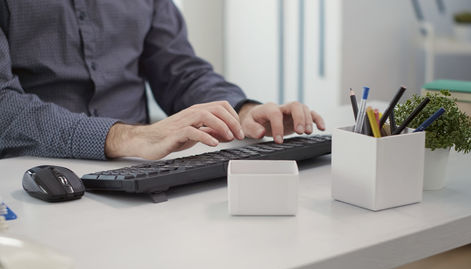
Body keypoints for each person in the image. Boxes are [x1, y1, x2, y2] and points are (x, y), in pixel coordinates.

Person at [0, 0, 325, 160]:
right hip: (33, 176)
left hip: (140, 171)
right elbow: (3, 103)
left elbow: (179, 70)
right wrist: (122, 138)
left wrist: (240, 111)